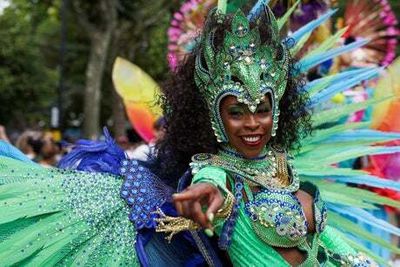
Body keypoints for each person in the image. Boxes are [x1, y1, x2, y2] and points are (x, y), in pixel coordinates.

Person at [0, 2, 398, 266]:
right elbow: (212, 190)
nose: (252, 123)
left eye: (262, 109)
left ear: (278, 111)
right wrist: (209, 198)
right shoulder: (215, 170)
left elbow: (325, 242)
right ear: (214, 115)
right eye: (237, 112)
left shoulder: (283, 167)